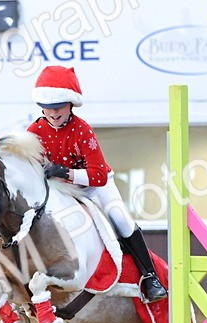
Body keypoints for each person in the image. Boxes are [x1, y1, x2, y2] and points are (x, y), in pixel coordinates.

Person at [27, 65, 167, 303]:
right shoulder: (34, 131)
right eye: (48, 107)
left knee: (121, 219)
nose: (53, 112)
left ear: (71, 104)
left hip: (94, 188)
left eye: (59, 106)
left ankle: (150, 277)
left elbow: (99, 175)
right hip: (61, 192)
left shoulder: (82, 130)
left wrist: (66, 173)